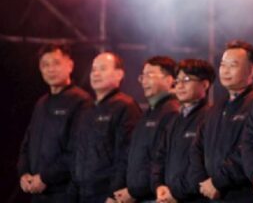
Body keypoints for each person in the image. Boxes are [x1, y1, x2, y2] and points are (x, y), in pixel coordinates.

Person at [18, 44, 91, 202]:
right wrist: (23, 173)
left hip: (64, 193)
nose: (51, 69)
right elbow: (27, 144)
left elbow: (77, 151)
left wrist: (45, 178)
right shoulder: (41, 103)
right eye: (45, 65)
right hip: (36, 192)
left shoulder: (82, 101)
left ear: (70, 65)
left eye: (56, 63)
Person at [71, 51, 142, 202]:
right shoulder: (86, 109)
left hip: (107, 195)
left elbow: (127, 155)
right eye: (93, 69)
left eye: (102, 69)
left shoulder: (125, 106)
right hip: (82, 193)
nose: (96, 74)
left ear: (119, 74)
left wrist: (114, 194)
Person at [193, 41, 253, 202]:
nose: (225, 70)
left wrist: (217, 182)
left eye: (233, 65)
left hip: (243, 194)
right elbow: (197, 147)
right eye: (223, 65)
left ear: (252, 70)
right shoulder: (215, 107)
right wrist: (203, 181)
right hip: (210, 194)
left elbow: (248, 150)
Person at [115, 56, 179, 203]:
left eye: (150, 75)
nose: (144, 81)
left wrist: (134, 192)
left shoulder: (172, 111)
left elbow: (160, 160)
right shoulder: (149, 112)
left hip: (156, 196)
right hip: (140, 195)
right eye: (143, 76)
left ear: (169, 80)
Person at [152, 59, 215, 203]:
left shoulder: (210, 118)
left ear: (205, 85)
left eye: (186, 80)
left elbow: (203, 169)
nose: (179, 86)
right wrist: (159, 186)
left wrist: (176, 193)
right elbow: (160, 157)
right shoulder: (174, 119)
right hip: (167, 197)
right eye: (177, 81)